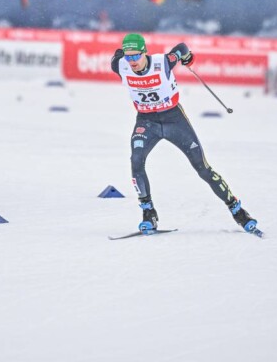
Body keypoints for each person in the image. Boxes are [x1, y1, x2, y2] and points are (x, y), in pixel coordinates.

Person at [111, 33, 260, 235]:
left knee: (202, 168)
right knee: (136, 160)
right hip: (146, 122)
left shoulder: (162, 62)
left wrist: (188, 57)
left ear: (144, 52)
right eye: (128, 57)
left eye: (136, 56)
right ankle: (148, 213)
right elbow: (117, 57)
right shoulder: (120, 65)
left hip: (174, 119)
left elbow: (180, 48)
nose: (132, 62)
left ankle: (237, 210)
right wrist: (123, 54)